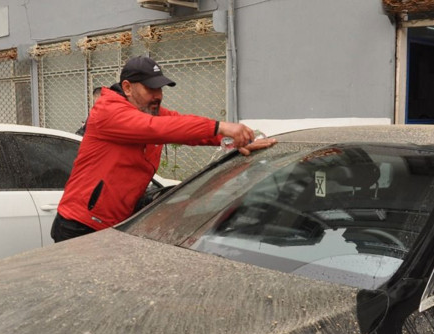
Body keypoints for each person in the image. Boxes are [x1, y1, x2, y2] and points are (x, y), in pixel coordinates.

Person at [52, 56, 276, 243]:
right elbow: (160, 129)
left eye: (159, 88)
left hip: (118, 223)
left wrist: (234, 139)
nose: (158, 95)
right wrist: (222, 126)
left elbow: (181, 124)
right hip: (80, 225)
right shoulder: (108, 112)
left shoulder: (150, 110)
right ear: (128, 87)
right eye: (151, 88)